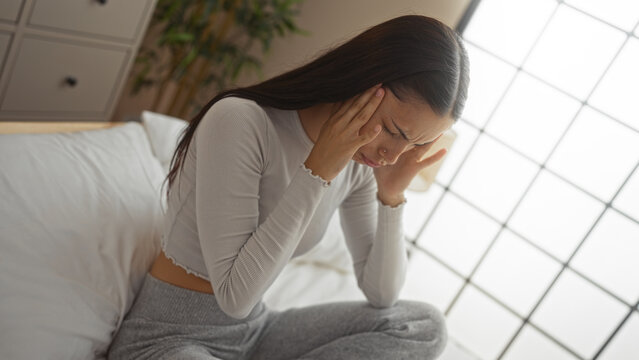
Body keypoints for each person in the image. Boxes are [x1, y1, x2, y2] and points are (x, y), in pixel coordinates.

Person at [108, 14, 469, 360]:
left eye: (415, 144)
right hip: (170, 339)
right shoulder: (242, 122)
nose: (393, 155)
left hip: (256, 333)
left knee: (423, 325)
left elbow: (382, 295)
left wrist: (391, 197)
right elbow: (236, 297)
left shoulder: (359, 166)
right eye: (394, 131)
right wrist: (317, 171)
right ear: (365, 81)